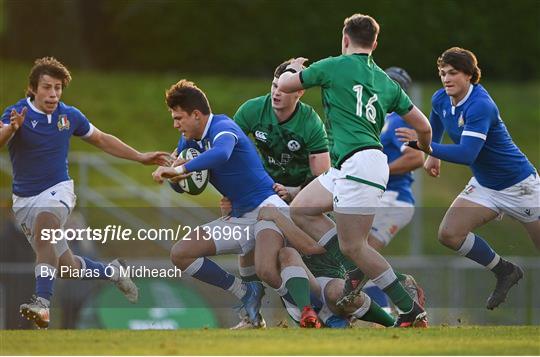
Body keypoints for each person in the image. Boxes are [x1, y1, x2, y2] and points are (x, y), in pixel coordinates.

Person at [277, 13, 432, 327]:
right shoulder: (386, 82)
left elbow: (286, 84)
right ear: (375, 43)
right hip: (352, 165)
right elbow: (424, 126)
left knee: (354, 247)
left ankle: (409, 308)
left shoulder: (333, 64)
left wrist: (295, 68)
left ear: (344, 38)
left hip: (360, 163)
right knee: (302, 210)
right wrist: (428, 150)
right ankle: (357, 269)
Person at [0, 57, 172, 328]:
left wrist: (140, 156)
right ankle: (113, 271)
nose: (53, 93)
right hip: (24, 201)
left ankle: (42, 305)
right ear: (33, 88)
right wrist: (12, 128)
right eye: (47, 87)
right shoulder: (16, 113)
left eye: (58, 87)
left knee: (46, 227)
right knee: (66, 267)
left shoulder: (69, 116)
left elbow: (101, 139)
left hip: (58, 191)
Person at [152, 79, 321, 327]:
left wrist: (181, 167)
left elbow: (222, 153)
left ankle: (320, 310)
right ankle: (246, 294)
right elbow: (185, 186)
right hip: (240, 217)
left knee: (276, 274)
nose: (175, 124)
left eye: (179, 118)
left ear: (196, 115)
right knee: (181, 254)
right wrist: (174, 175)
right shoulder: (188, 142)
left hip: (269, 209)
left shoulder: (222, 126)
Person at [397, 47, 539, 310]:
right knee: (449, 234)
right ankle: (505, 270)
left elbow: (466, 154)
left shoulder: (480, 105)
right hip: (486, 185)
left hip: (520, 187)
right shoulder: (441, 98)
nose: (446, 78)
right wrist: (434, 154)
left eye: (453, 73)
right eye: (442, 73)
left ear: (470, 76)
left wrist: (425, 148)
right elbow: (435, 123)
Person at [227, 59, 331, 328]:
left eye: (285, 88)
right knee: (247, 248)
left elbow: (323, 175)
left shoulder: (310, 122)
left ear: (299, 92)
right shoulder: (252, 110)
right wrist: (229, 194)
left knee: (285, 260)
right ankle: (252, 316)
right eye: (274, 85)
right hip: (261, 194)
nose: (277, 92)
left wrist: (296, 191)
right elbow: (229, 152)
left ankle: (322, 307)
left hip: (300, 199)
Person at [257, 205, 397, 328]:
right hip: (301, 300)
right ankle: (309, 312)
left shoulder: (327, 218)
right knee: (287, 253)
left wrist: (277, 216)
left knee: (339, 290)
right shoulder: (277, 211)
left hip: (330, 291)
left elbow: (311, 247)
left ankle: (393, 323)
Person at [361, 67, 425, 311]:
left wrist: (379, 173)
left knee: (360, 255)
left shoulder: (398, 120)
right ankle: (393, 307)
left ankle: (394, 305)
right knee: (355, 256)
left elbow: (415, 159)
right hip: (379, 199)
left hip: (393, 200)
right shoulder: (375, 118)